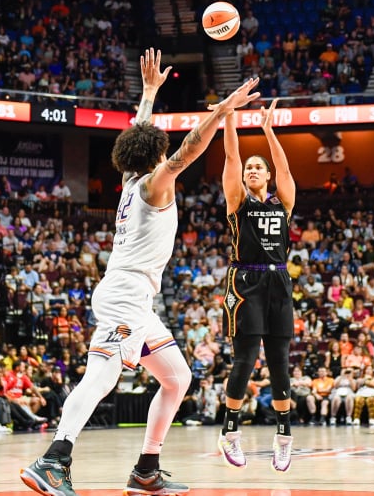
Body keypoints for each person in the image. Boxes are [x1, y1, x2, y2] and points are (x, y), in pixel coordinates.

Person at [21, 49, 260, 496]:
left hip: (134, 298)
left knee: (177, 377)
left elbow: (137, 136)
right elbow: (189, 149)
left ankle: (146, 469)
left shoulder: (132, 180)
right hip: (125, 296)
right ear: (158, 155)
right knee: (103, 375)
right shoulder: (153, 182)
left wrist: (149, 93)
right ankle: (54, 459)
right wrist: (223, 111)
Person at [216, 96, 297, 472]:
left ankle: (283, 438)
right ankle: (230, 433)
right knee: (245, 361)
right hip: (244, 280)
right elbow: (231, 158)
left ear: (266, 177)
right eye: (249, 166)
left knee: (280, 364)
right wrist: (229, 117)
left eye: (258, 167)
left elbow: (283, 164)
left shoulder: (282, 203)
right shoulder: (238, 203)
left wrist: (268, 130)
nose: (251, 169)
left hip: (278, 280)